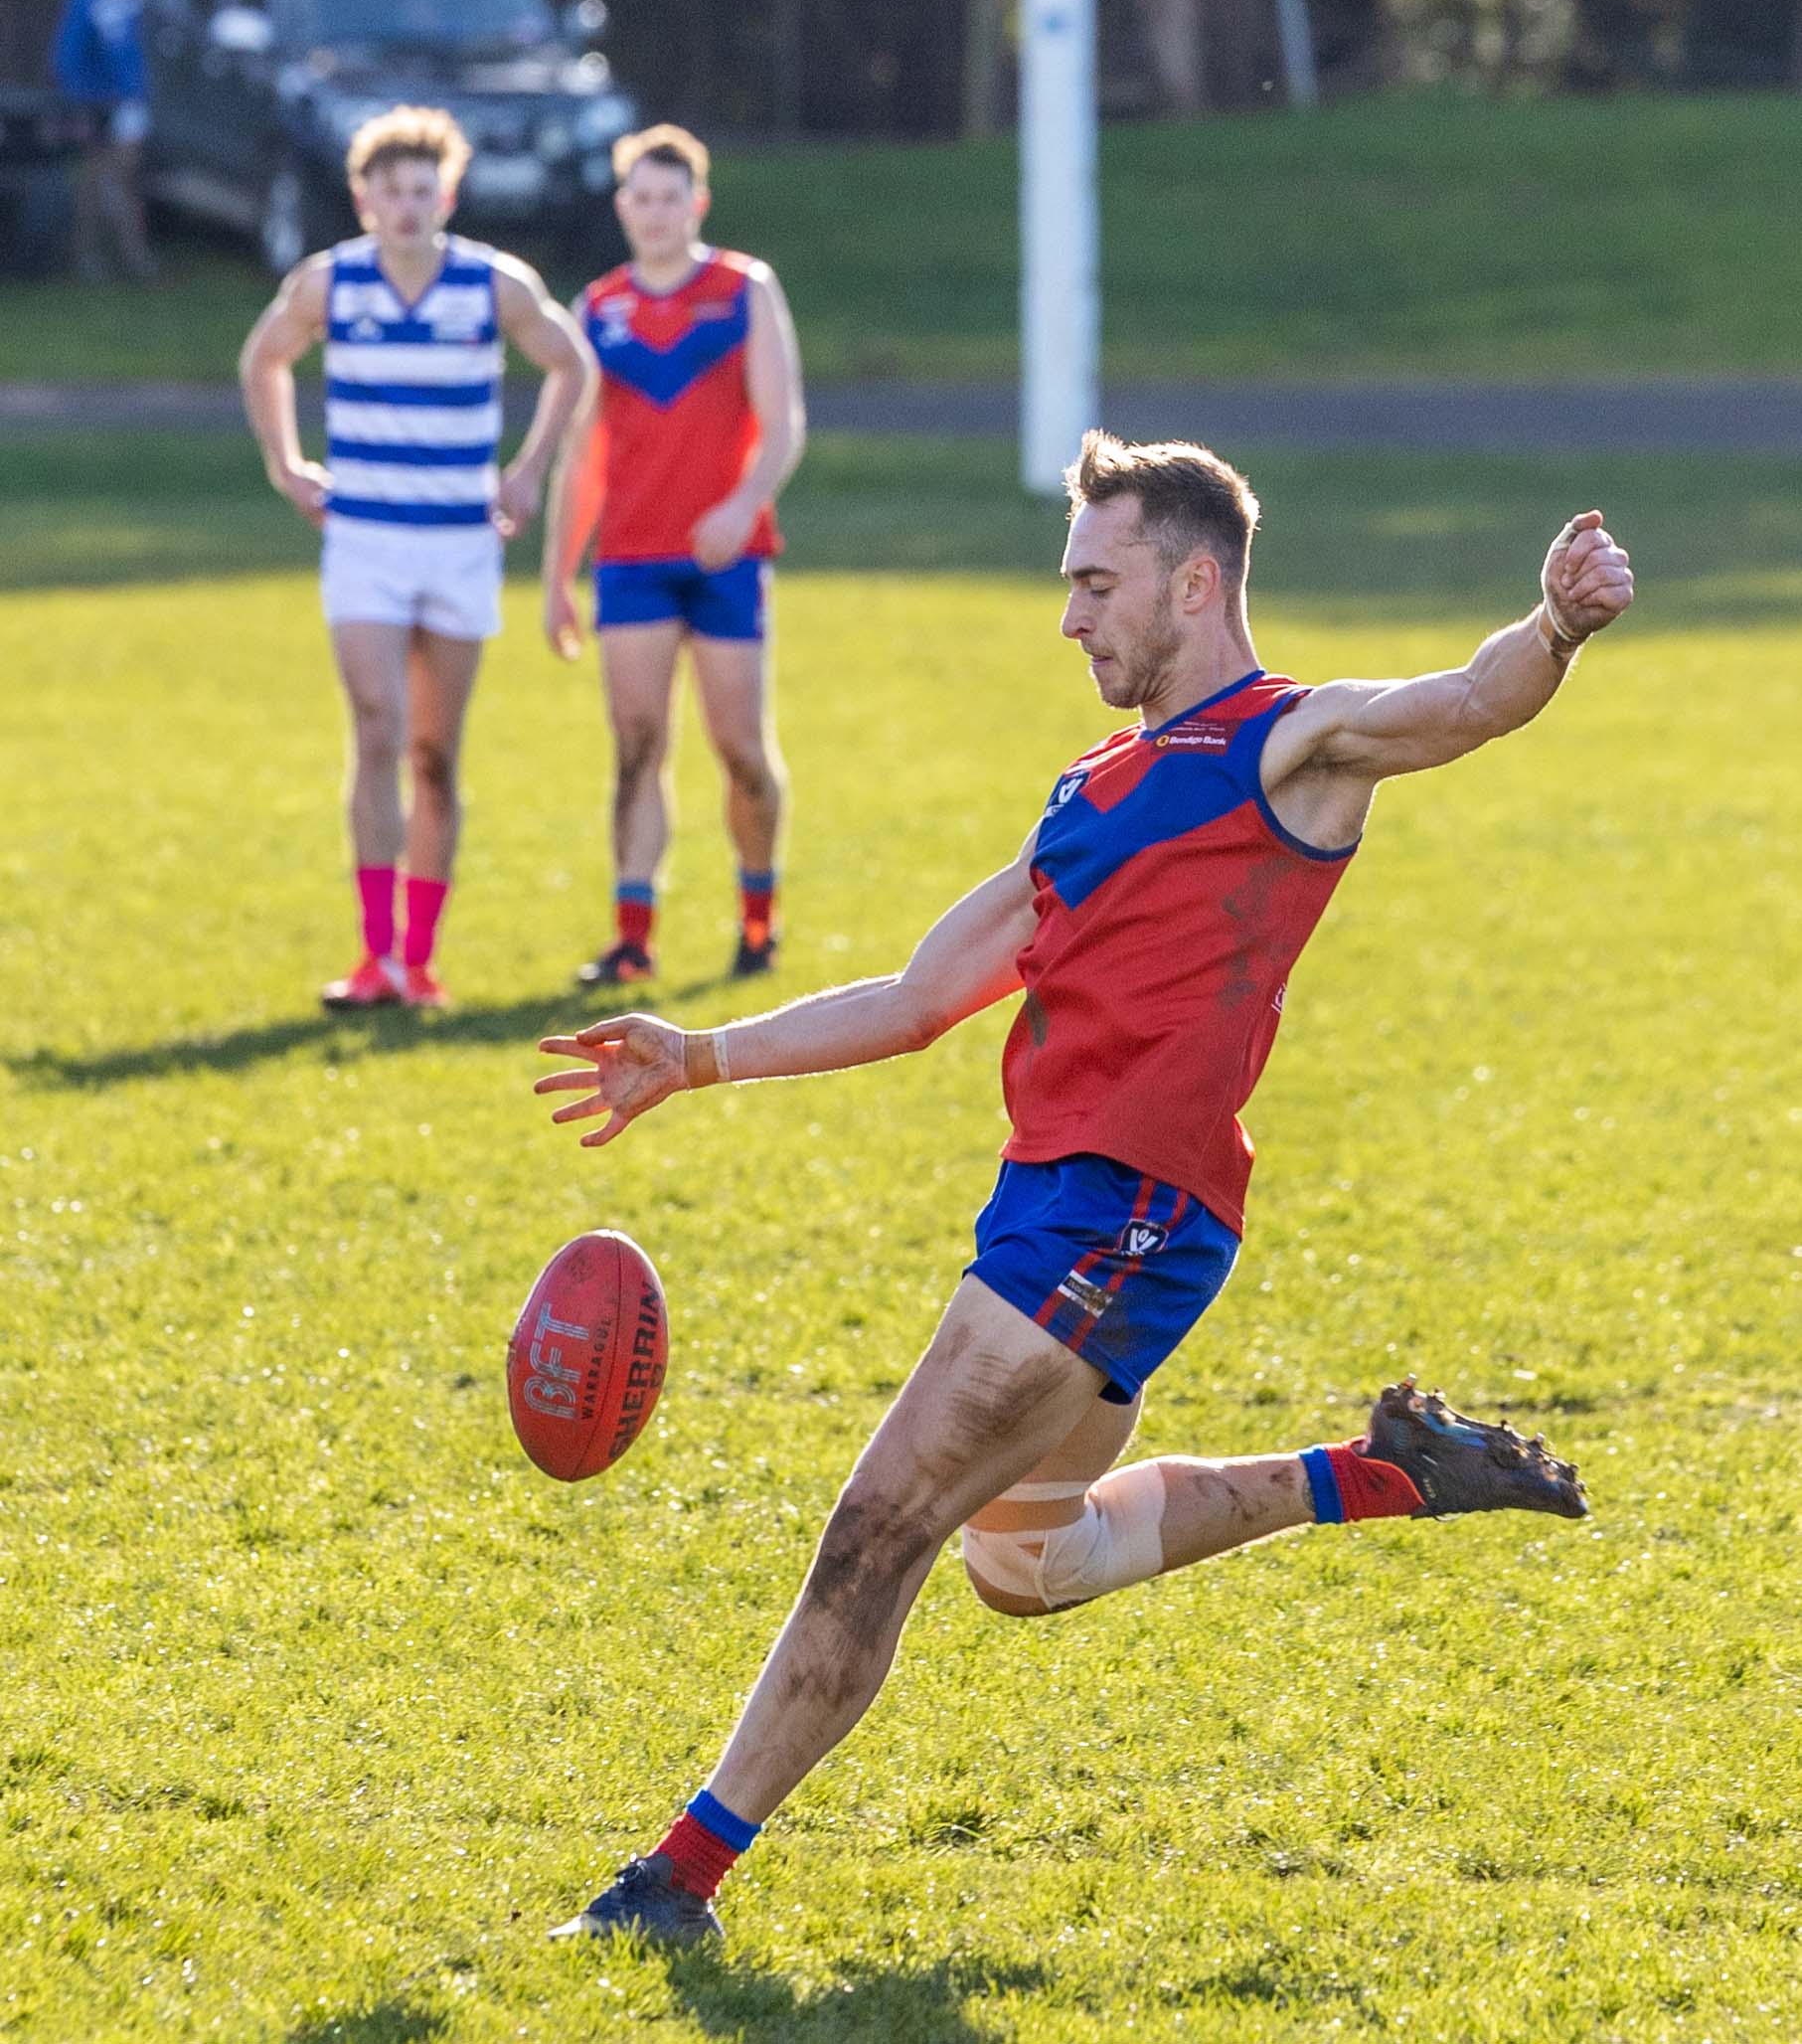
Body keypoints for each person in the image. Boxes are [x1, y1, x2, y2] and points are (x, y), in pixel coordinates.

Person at [532, 430, 1635, 1949]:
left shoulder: (1286, 739)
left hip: (1125, 1206)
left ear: (1194, 580)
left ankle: (675, 1879)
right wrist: (700, 1051)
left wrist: (1558, 625)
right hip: (1052, 1207)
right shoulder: (1087, 790)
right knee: (1029, 1563)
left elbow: (1459, 703)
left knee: (876, 1525)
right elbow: (923, 991)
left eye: (1094, 582)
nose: (1070, 617)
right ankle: (1373, 1469)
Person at [240, 104, 592, 1010]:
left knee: (435, 755)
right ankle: (373, 954)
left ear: (449, 193)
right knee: (377, 730)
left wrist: (525, 474)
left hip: (459, 545)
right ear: (362, 199)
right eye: (389, 190)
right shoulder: (331, 282)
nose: (406, 206)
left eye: (421, 189)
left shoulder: (492, 284)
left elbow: (570, 363)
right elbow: (264, 357)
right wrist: (285, 465)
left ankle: (420, 959)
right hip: (363, 540)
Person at [542, 122, 805, 989]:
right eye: (639, 199)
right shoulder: (598, 308)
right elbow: (580, 458)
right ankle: (631, 937)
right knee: (635, 744)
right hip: (630, 559)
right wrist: (556, 579)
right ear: (622, 207)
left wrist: (741, 506)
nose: (654, 214)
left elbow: (783, 422)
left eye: (670, 198)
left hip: (726, 558)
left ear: (696, 204)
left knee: (740, 749)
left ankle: (757, 919)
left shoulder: (741, 289)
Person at [51, 0, 158, 281]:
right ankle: (103, 255)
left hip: (128, 104)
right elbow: (68, 58)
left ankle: (126, 256)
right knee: (101, 179)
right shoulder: (88, 1)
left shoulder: (129, 0)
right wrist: (81, 106)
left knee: (121, 177)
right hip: (99, 106)